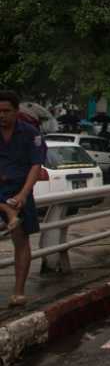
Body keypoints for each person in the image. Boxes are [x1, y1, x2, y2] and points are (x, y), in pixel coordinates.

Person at [0, 90, 44, 307]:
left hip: (20, 191)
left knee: (21, 241)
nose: (2, 115)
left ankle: (18, 293)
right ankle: (8, 212)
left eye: (6, 111)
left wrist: (23, 195)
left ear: (16, 112)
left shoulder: (30, 133)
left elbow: (36, 165)